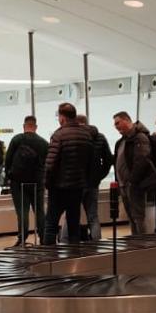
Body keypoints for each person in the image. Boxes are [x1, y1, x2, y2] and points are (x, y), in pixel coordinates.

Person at [43, 102, 94, 245]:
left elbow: (50, 164)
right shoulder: (86, 135)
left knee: (51, 224)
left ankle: (49, 258)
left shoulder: (58, 135)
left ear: (62, 117)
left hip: (59, 188)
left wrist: (47, 184)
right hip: (77, 187)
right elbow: (91, 162)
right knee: (73, 224)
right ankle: (74, 257)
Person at [113, 112, 156, 235]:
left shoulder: (139, 138)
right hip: (124, 185)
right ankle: (135, 241)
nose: (115, 126)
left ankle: (142, 244)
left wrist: (132, 181)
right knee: (131, 217)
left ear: (127, 120)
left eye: (117, 123)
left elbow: (142, 160)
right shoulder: (122, 141)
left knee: (138, 216)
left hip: (134, 184)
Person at [4, 115, 49, 245]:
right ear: (36, 127)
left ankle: (22, 238)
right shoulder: (43, 143)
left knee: (22, 211)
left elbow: (7, 161)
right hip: (37, 182)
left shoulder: (17, 139)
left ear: (24, 126)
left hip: (18, 183)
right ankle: (43, 237)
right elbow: (48, 163)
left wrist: (9, 177)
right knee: (39, 210)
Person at [77, 114, 114, 241]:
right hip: (93, 183)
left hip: (76, 183)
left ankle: (67, 243)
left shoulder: (74, 136)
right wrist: (99, 176)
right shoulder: (100, 137)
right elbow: (109, 159)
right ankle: (96, 244)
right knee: (93, 216)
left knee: (71, 215)